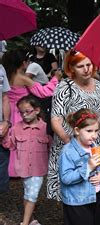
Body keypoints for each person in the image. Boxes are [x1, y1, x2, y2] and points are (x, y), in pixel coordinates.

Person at [47, 50, 100, 201]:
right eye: (80, 66)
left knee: (94, 184)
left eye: (88, 64)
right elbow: (55, 120)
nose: (87, 69)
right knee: (74, 191)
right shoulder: (65, 86)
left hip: (96, 144)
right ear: (71, 68)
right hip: (72, 147)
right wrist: (72, 144)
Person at [2, 49, 60, 177]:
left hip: (6, 111)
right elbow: (44, 92)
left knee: (10, 140)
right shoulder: (22, 78)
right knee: (21, 142)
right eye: (27, 61)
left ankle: (8, 170)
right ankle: (19, 170)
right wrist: (55, 78)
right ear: (23, 63)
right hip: (21, 112)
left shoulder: (5, 75)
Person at [2, 95, 52, 225]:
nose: (24, 115)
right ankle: (27, 222)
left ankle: (26, 222)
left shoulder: (45, 127)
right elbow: (10, 145)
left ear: (37, 110)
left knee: (32, 194)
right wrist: (3, 136)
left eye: (28, 111)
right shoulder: (17, 127)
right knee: (29, 193)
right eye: (21, 112)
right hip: (23, 167)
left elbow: (52, 146)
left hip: (38, 167)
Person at [0, 63, 16, 225]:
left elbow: (5, 97)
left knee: (0, 174)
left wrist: (6, 122)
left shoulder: (1, 68)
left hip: (1, 130)